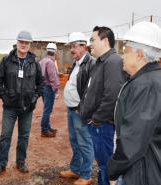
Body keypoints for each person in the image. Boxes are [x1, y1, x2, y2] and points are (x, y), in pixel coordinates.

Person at [107, 22, 161, 185]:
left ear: (139, 54)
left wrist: (113, 171)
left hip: (142, 173)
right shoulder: (148, 80)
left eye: (126, 51)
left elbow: (133, 140)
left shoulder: (146, 86)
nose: (122, 56)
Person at [0, 30, 44, 176]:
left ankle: (20, 162)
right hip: (10, 108)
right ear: (17, 43)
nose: (23, 45)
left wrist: (34, 98)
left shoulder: (34, 63)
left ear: (29, 45)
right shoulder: (7, 61)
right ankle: (1, 164)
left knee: (24, 136)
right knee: (5, 136)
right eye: (21, 42)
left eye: (26, 42)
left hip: (27, 108)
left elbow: (41, 83)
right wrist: (5, 97)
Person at [80, 26, 126, 185]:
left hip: (103, 125)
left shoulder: (113, 62)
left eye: (93, 40)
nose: (89, 43)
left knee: (106, 166)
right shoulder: (101, 61)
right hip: (99, 124)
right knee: (102, 165)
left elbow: (112, 96)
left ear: (105, 41)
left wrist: (96, 119)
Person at [60, 32, 94, 185]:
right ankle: (75, 169)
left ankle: (86, 175)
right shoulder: (77, 63)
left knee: (85, 143)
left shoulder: (90, 63)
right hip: (71, 109)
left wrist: (83, 109)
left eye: (74, 46)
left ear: (83, 46)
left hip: (80, 111)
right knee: (74, 141)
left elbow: (91, 91)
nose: (71, 50)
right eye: (71, 47)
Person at [39, 43, 59, 137]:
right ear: (55, 51)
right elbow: (53, 78)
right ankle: (45, 130)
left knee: (47, 109)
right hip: (49, 88)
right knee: (47, 110)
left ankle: (48, 127)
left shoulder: (42, 61)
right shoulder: (50, 62)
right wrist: (56, 91)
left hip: (43, 88)